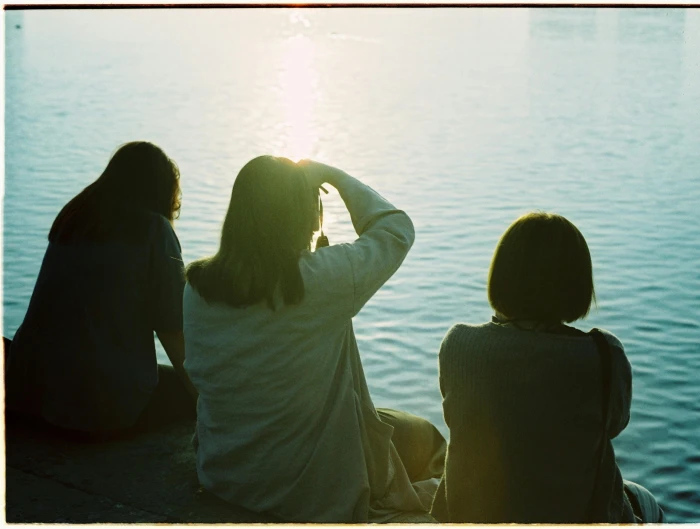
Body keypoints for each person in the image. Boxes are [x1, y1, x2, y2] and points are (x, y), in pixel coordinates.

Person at [183, 156, 446, 523]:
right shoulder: (320, 282)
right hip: (307, 494)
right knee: (427, 438)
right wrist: (333, 176)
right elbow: (395, 229)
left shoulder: (197, 288)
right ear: (305, 215)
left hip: (227, 477)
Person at [430, 211, 665, 523]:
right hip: (578, 517)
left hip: (471, 517)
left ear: (502, 274)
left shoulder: (459, 344)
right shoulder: (604, 355)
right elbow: (614, 425)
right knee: (645, 500)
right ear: (578, 282)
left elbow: (456, 415)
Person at [5, 141, 197, 439]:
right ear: (161, 191)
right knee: (190, 390)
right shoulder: (153, 230)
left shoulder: (74, 219)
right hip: (97, 407)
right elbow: (172, 327)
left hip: (28, 393)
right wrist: (203, 393)